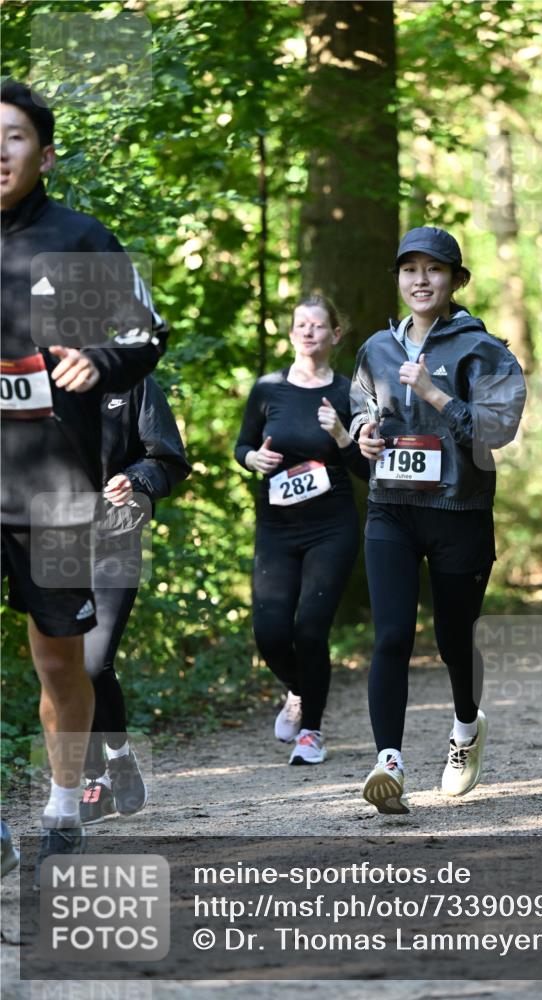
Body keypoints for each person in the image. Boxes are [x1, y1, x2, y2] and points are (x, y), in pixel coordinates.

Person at [0, 80, 167, 875]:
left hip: (56, 493)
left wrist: (97, 360)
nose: (0, 150)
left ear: (46, 152)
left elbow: (144, 335)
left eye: (15, 136)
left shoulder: (76, 241)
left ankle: (64, 810)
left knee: (62, 660)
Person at [350, 226, 526, 814]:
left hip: (459, 511)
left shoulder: (484, 350)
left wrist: (437, 395)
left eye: (433, 270)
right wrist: (364, 435)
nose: (420, 281)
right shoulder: (376, 347)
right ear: (398, 278)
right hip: (391, 509)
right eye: (410, 270)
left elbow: (498, 431)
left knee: (455, 641)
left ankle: (466, 727)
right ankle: (389, 762)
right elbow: (361, 406)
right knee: (393, 635)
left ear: (454, 281)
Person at [235, 295, 368, 765]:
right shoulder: (268, 389)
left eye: (318, 325)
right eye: (301, 325)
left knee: (310, 629)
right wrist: (253, 459)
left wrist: (340, 435)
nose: (308, 332)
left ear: (335, 334)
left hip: (331, 526)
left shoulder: (351, 393)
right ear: (291, 333)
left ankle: (311, 731)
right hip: (277, 526)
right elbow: (243, 446)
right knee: (270, 632)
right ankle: (298, 688)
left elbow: (365, 471)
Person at [79, 376, 191, 824]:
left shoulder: (133, 383)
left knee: (93, 661)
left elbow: (166, 458)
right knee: (64, 666)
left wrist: (134, 478)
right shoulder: (33, 379)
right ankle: (95, 779)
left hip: (113, 538)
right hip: (49, 541)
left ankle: (119, 756)